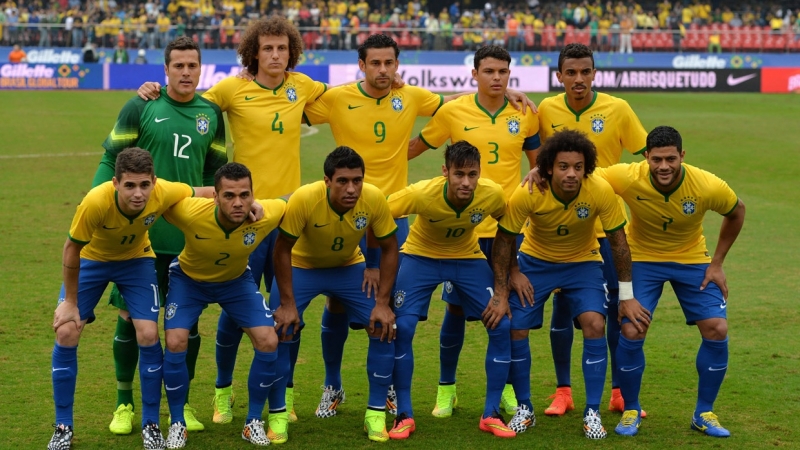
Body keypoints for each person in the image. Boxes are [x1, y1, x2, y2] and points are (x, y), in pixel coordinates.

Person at [302, 34, 536, 419]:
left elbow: (455, 105)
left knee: (390, 309)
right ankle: (332, 384)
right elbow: (290, 107)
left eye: (388, 63)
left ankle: (391, 388)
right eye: (374, 63)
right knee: (337, 300)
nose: (382, 69)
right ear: (361, 65)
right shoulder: (338, 97)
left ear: (397, 65)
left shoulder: (411, 96)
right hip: (347, 212)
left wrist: (503, 92)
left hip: (394, 217)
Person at [135, 16, 328, 426]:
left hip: (286, 216)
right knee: (234, 307)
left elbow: (349, 97)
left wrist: (394, 82)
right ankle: (222, 392)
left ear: (291, 52)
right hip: (242, 216)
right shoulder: (231, 89)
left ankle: (285, 394)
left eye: (282, 48)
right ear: (253, 52)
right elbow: (188, 102)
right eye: (267, 48)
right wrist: (153, 89)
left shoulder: (303, 85)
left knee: (286, 310)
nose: (275, 55)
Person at [94, 36, 227, 436]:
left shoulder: (211, 113)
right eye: (178, 66)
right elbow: (110, 158)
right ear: (165, 70)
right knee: (130, 319)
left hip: (189, 238)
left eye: (192, 65)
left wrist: (212, 219)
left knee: (187, 325)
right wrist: (101, 205)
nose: (186, 72)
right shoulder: (141, 105)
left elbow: (214, 174)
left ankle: (180, 406)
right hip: (141, 239)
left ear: (201, 69)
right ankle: (124, 403)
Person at [407, 44, 540, 419]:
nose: (497, 78)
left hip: (507, 227)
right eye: (489, 71)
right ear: (475, 74)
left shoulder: (524, 113)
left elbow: (538, 165)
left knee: (508, 309)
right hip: (463, 228)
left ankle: (508, 390)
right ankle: (446, 389)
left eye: (503, 72)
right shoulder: (453, 112)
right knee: (454, 308)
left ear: (509, 74)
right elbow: (414, 148)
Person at [48, 148, 213, 450]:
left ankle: (151, 424)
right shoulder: (95, 202)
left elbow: (204, 191)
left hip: (136, 261)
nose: (138, 194)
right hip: (92, 261)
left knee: (148, 333)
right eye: (130, 185)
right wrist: (70, 302)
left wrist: (250, 203)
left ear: (154, 181)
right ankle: (63, 427)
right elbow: (71, 249)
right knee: (67, 331)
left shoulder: (163, 191)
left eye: (144, 185)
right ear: (115, 183)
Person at [490, 129, 646, 439]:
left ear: (586, 168)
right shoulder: (529, 192)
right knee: (516, 327)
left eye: (578, 166)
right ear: (549, 167)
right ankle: (525, 408)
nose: (571, 173)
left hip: (582, 264)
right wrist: (506, 284)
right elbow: (504, 239)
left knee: (595, 323)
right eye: (563, 166)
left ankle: (592, 412)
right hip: (536, 263)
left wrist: (627, 295)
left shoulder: (599, 190)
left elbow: (618, 242)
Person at [591, 126, 745, 437]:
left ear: (682, 156)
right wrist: (542, 169)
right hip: (642, 259)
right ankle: (631, 409)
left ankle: (704, 413)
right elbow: (585, 176)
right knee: (632, 329)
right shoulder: (627, 176)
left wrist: (716, 263)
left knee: (717, 328)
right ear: (646, 156)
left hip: (692, 259)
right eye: (657, 159)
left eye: (671, 159)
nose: (664, 166)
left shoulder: (706, 185)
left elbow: (737, 210)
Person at [532, 42, 648, 419]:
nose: (578, 78)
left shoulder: (618, 109)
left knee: (615, 309)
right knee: (562, 309)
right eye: (571, 72)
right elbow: (534, 149)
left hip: (607, 228)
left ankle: (617, 391)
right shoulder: (546, 109)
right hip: (563, 229)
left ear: (594, 73)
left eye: (585, 71)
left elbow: (647, 156)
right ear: (559, 76)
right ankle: (563, 391)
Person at [387, 141, 515, 440]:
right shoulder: (421, 193)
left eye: (472, 174)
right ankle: (404, 414)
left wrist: (511, 276)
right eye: (459, 174)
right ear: (445, 171)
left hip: (466, 258)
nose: (466, 182)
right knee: (402, 327)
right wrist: (373, 265)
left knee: (501, 324)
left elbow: (508, 228)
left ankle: (491, 413)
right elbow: (379, 213)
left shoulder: (492, 194)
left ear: (480, 173)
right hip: (420, 257)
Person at [271, 147, 399, 443]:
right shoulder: (305, 198)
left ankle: (375, 413)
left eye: (357, 180)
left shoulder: (373, 197)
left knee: (383, 326)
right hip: (303, 267)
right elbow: (282, 249)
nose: (351, 188)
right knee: (281, 328)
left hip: (347, 266)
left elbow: (390, 246)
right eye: (342, 181)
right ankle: (280, 411)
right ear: (327, 181)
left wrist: (381, 299)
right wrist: (287, 303)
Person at [161, 163, 287, 448]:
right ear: (215, 197)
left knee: (268, 340)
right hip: (189, 281)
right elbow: (161, 197)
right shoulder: (190, 211)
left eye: (245, 195)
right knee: (176, 340)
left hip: (235, 282)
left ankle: (253, 422)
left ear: (253, 195)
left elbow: (294, 201)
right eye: (229, 195)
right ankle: (178, 422)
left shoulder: (265, 214)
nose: (238, 203)